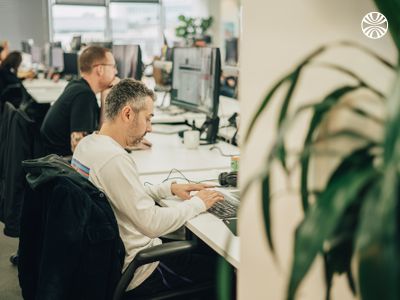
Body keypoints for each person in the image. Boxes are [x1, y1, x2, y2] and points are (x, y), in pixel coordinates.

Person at [72, 78, 224, 297]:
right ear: (127, 114)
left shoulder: (89, 145)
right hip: (142, 270)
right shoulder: (114, 159)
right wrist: (198, 204)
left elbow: (116, 196)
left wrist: (168, 189)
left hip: (114, 257)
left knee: (203, 253)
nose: (150, 128)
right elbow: (151, 224)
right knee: (227, 273)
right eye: (148, 118)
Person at [40, 46, 120, 156]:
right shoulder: (83, 96)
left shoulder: (77, 86)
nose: (116, 71)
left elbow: (100, 134)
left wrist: (105, 98)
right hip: (61, 165)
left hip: (56, 160)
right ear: (100, 69)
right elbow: (79, 150)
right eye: (113, 66)